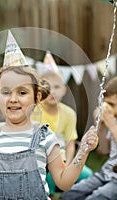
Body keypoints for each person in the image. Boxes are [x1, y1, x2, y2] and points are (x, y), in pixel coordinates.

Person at [0, 65, 99, 200]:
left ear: (37, 98)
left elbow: (63, 182)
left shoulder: (46, 137)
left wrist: (83, 151)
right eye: (6, 92)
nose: (13, 99)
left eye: (22, 93)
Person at [31, 70, 93, 199]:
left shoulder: (69, 113)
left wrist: (68, 164)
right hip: (43, 161)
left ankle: (72, 196)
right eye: (47, 87)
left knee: (88, 175)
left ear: (64, 89)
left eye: (57, 87)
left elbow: (70, 143)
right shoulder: (35, 112)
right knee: (48, 177)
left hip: (63, 159)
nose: (52, 91)